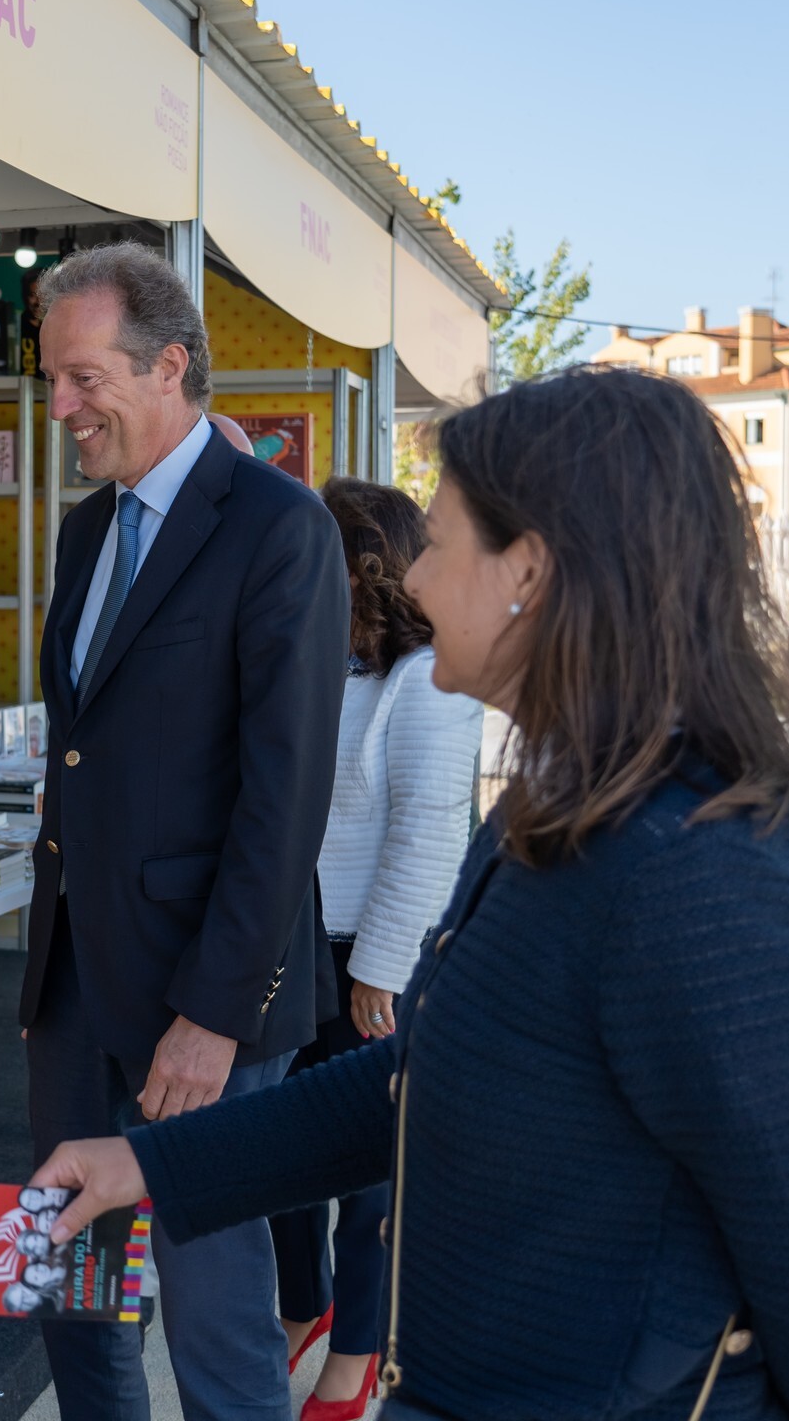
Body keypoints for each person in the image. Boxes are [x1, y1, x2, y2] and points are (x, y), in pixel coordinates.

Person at [26, 366, 789, 1421]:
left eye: (439, 542)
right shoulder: (562, 810)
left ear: (532, 570)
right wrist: (146, 1163)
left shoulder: (709, 882)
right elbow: (419, 1082)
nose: (411, 580)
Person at [21, 240, 348, 1421]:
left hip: (200, 997)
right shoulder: (84, 530)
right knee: (75, 1289)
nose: (60, 406)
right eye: (52, 380)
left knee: (214, 1310)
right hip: (72, 982)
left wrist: (214, 1017)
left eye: (82, 377)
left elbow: (285, 795)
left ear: (169, 366)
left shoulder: (278, 526)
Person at [269, 478, 481, 1421]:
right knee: (281, 1159)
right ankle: (300, 1306)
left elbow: (429, 833)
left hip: (369, 965)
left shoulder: (426, 681)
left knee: (365, 1180)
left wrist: (381, 969)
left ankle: (354, 1353)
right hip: (293, 950)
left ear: (358, 561)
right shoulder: (317, 662)